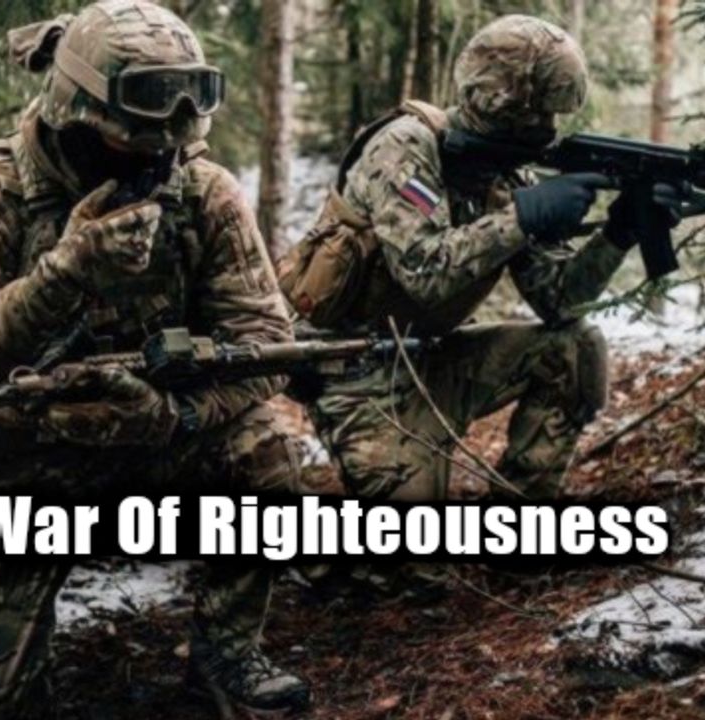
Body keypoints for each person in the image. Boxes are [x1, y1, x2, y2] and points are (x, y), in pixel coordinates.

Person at [0, 1, 309, 716]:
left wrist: (175, 412)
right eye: (131, 144)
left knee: (270, 454)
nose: (156, 161)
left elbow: (264, 344)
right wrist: (63, 274)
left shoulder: (203, 189)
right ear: (75, 116)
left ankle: (225, 653)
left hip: (165, 437)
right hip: (33, 458)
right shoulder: (0, 186)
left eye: (170, 144)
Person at [281, 14, 683, 504]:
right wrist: (523, 218)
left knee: (574, 349)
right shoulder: (405, 146)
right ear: (504, 102)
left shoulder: (506, 175)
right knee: (408, 552)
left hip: (431, 360)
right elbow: (424, 272)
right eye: (540, 113)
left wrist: (618, 233)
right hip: (359, 380)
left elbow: (558, 302)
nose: (549, 128)